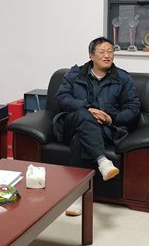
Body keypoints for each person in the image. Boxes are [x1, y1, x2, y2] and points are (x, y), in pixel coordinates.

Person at [54, 36, 141, 216]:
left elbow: (133, 108)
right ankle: (102, 161)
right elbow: (62, 98)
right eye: (102, 52)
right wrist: (87, 108)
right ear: (91, 55)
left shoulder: (123, 78)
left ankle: (77, 196)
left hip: (105, 128)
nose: (107, 56)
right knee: (83, 115)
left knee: (80, 139)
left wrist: (110, 118)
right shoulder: (74, 74)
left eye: (110, 52)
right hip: (72, 123)